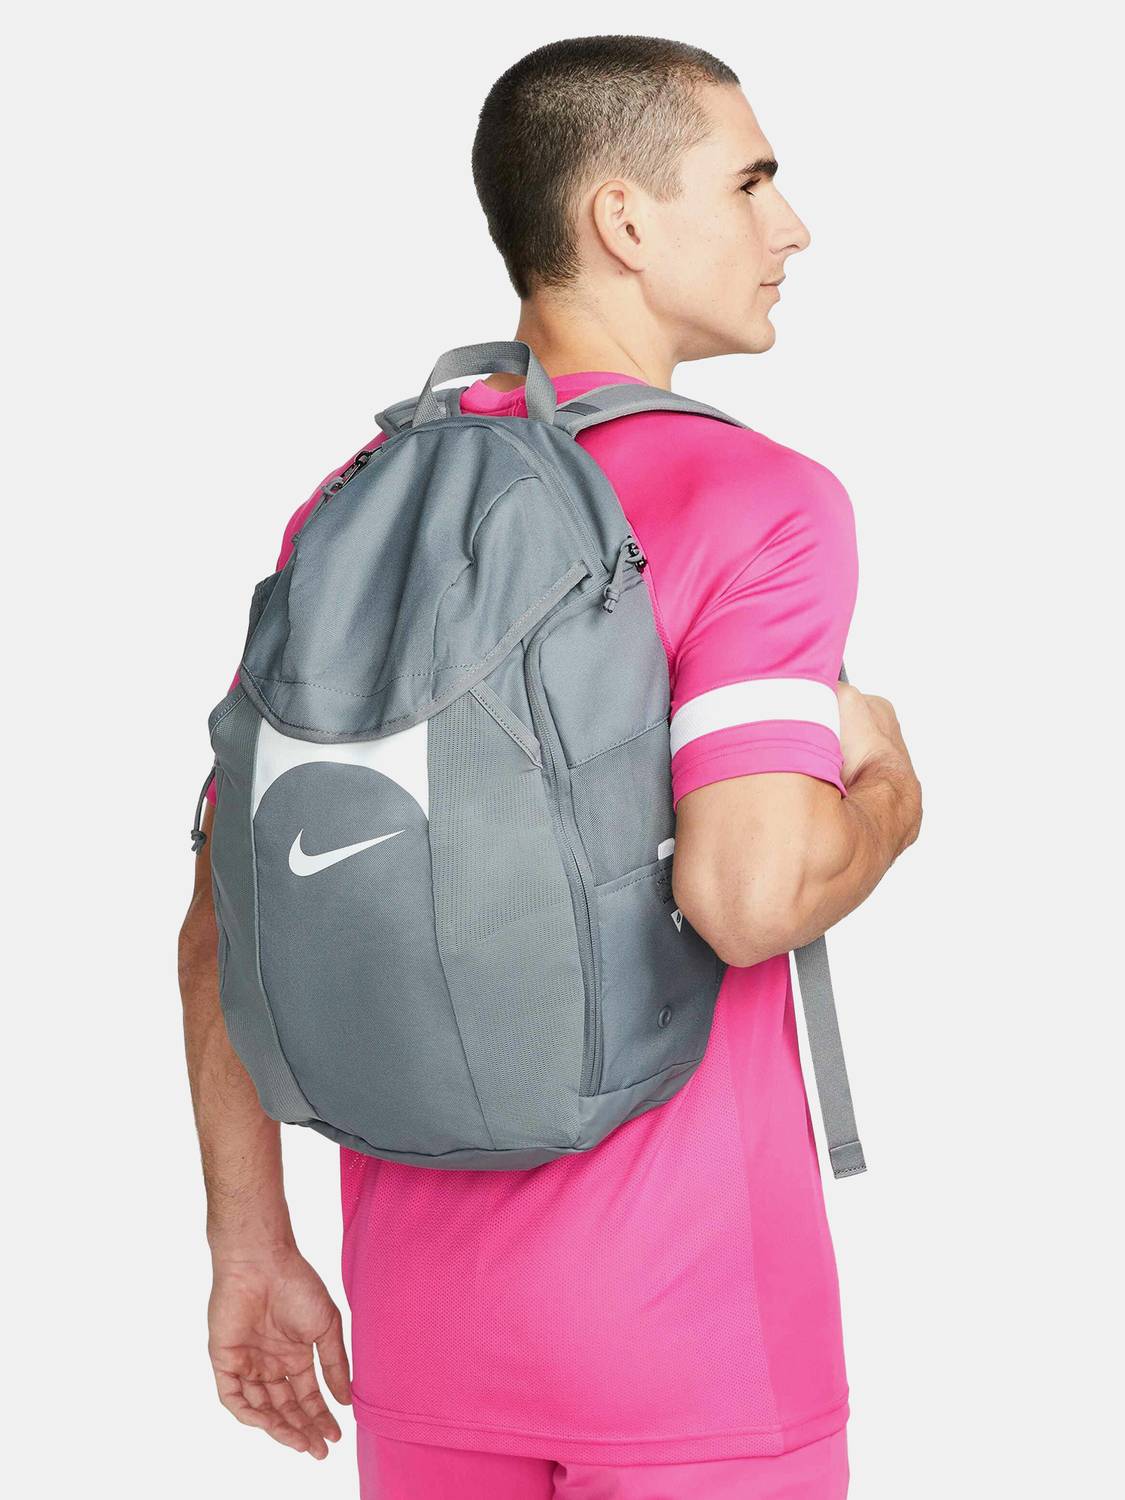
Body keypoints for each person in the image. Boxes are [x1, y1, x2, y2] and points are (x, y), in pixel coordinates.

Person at [178, 33, 922, 1500]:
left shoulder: (358, 505)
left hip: (422, 1343)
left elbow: (228, 916)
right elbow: (747, 900)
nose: (791, 228)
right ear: (623, 221)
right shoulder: (757, 501)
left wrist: (250, 1244)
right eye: (751, 182)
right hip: (696, 1344)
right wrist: (890, 795)